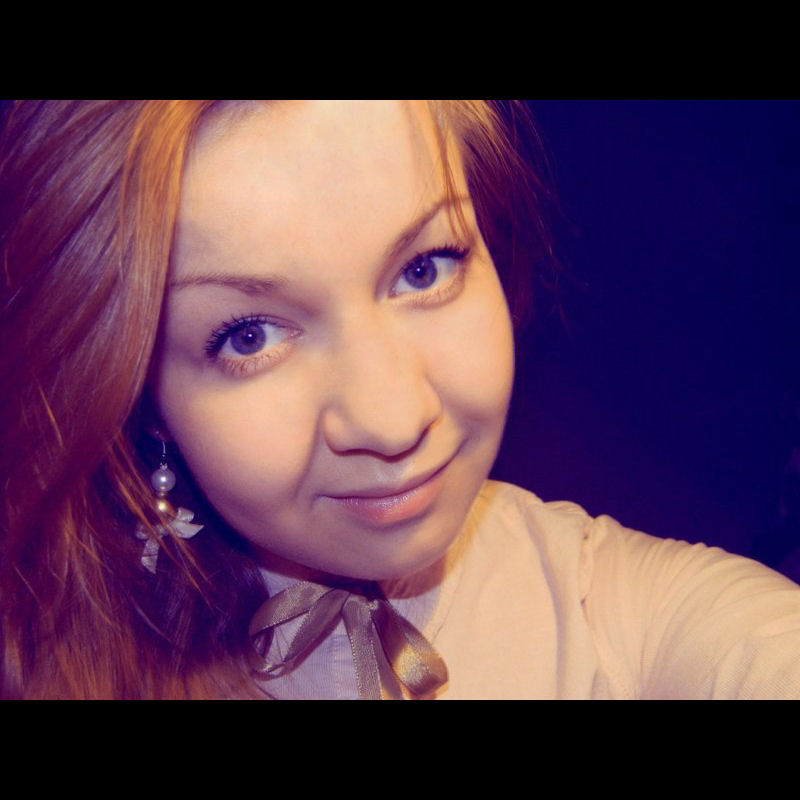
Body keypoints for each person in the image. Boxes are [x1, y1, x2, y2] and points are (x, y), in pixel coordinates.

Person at [2, 100, 799, 700]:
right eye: (248, 336)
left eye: (425, 268)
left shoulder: (610, 606)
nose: (394, 421)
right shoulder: (38, 657)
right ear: (139, 397)